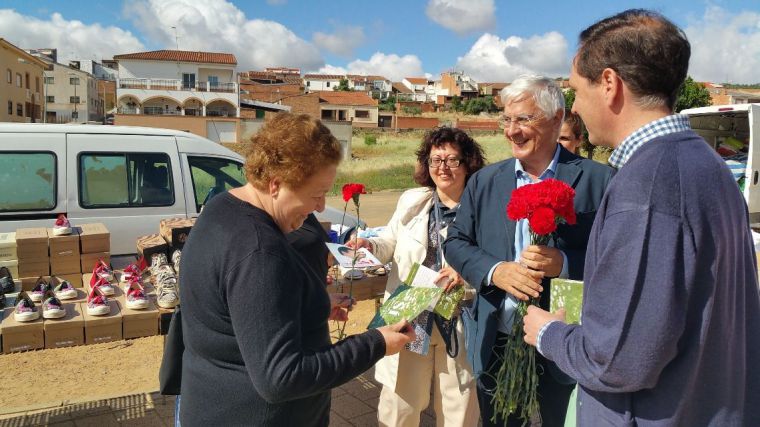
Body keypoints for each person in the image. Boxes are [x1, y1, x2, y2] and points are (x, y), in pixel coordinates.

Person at [523, 9, 760, 426]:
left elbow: (617, 360)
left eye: (576, 90)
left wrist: (548, 334)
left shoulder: (648, 185)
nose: (574, 106)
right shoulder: (707, 164)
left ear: (610, 84)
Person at [177, 112, 415, 426]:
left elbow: (238, 310)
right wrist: (375, 344)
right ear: (275, 184)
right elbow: (281, 378)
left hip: (211, 403)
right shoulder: (260, 252)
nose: (319, 207)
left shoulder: (223, 207)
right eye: (316, 195)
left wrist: (304, 306)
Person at [443, 75, 614, 427]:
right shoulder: (485, 181)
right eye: (507, 119)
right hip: (498, 338)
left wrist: (566, 262)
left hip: (566, 339)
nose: (512, 131)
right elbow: (456, 242)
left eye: (524, 119)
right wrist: (496, 271)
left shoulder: (602, 181)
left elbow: (617, 260)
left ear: (556, 119)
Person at [349, 127, 486, 426]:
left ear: (468, 163)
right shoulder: (413, 201)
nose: (443, 168)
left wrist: (468, 277)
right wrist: (368, 245)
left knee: (459, 409)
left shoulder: (482, 208)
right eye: (435, 160)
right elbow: (388, 242)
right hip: (411, 316)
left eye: (452, 160)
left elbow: (491, 263)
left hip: (458, 320)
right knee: (399, 406)